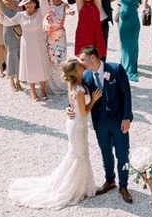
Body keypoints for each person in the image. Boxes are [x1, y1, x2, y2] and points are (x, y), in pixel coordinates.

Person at [8, 60, 99, 209]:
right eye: (79, 67)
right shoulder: (80, 90)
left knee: (76, 154)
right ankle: (74, 187)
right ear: (76, 72)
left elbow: (73, 106)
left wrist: (70, 109)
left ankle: (80, 185)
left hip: (74, 123)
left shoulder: (73, 85)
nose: (83, 67)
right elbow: (83, 111)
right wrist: (93, 100)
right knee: (79, 155)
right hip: (78, 125)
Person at [78, 45, 133, 204]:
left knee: (123, 153)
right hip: (100, 121)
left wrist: (127, 118)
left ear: (93, 58)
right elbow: (77, 94)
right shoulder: (86, 75)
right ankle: (110, 181)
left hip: (118, 120)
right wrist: (69, 108)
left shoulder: (116, 69)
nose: (81, 63)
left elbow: (126, 94)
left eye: (83, 59)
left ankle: (124, 185)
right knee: (105, 153)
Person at [0, 0, 50, 101]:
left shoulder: (40, 13)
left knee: (41, 66)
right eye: (27, 3)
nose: (29, 5)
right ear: (24, 5)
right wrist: (1, 14)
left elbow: (45, 5)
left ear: (35, 3)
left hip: (39, 44)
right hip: (27, 45)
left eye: (31, 3)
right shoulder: (20, 16)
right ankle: (33, 91)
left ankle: (43, 89)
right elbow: (7, 20)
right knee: (30, 67)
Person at [112, 0, 146, 81]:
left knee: (132, 46)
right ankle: (123, 65)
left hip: (133, 23)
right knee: (124, 45)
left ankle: (131, 68)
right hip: (122, 22)